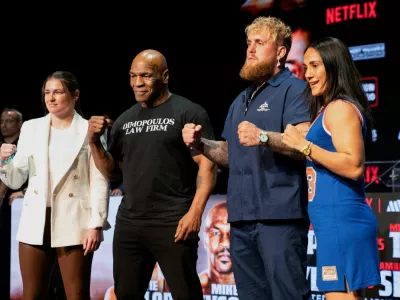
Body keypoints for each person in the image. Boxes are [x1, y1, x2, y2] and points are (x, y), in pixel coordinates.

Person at [182, 16, 311, 299]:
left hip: (279, 220)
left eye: (260, 43)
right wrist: (200, 144)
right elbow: (230, 154)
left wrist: (263, 136)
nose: (250, 49)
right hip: (240, 219)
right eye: (249, 43)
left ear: (280, 52)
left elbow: (303, 144)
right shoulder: (241, 99)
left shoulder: (296, 90)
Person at [88, 49, 217, 300]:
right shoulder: (125, 120)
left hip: (174, 222)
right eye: (133, 76)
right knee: (125, 294)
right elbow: (113, 173)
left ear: (165, 76)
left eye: (146, 76)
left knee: (186, 295)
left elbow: (208, 166)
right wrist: (94, 143)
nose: (137, 83)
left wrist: (195, 213)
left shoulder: (188, 112)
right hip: (130, 224)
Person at [281, 37, 380, 300]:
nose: (308, 74)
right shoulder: (327, 110)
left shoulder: (340, 109)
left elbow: (354, 165)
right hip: (333, 225)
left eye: (315, 66)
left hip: (342, 223)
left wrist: (305, 147)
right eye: (306, 66)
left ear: (334, 66)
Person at [0, 71, 110, 300]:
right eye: (47, 92)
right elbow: (16, 180)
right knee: (31, 295)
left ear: (75, 95)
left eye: (58, 92)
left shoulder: (89, 129)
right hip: (35, 220)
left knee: (76, 295)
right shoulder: (31, 128)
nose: (51, 98)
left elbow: (100, 179)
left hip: (75, 222)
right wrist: (5, 160)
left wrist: (96, 224)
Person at [199, 201, 234, 295]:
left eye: (232, 234)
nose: (225, 243)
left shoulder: (256, 289)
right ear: (205, 238)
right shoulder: (190, 289)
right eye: (216, 233)